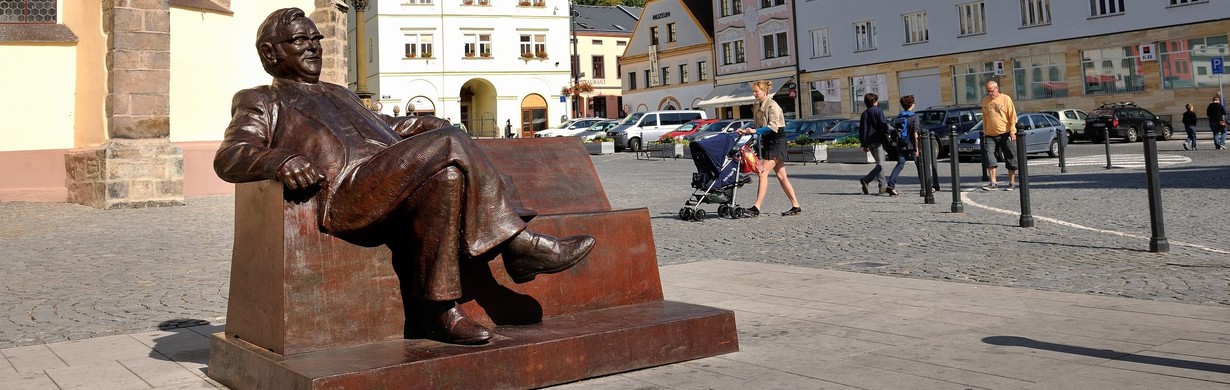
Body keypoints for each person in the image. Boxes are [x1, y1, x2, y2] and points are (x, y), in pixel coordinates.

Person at [213, 8, 595, 345]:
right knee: (449, 142)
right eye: (300, 40)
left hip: (390, 176)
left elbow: (383, 125)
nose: (314, 46)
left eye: (316, 38)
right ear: (271, 52)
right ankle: (519, 246)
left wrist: (422, 123)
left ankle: (437, 312)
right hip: (349, 190)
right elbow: (230, 155)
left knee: (445, 178)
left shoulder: (340, 93)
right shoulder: (261, 100)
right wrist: (279, 160)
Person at [737, 80, 802, 216]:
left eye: (756, 91)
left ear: (765, 91)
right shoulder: (757, 106)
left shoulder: (773, 105)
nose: (754, 94)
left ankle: (756, 208)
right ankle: (796, 206)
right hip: (769, 142)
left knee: (762, 172)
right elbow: (757, 126)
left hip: (777, 141)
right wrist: (745, 130)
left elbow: (773, 127)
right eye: (753, 91)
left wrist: (754, 131)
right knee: (781, 176)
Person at [979, 80, 1018, 191]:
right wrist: (985, 132)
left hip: (1005, 133)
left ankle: (1012, 182)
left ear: (997, 89)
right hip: (990, 134)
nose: (990, 94)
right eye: (988, 92)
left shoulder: (1006, 99)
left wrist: (1012, 131)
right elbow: (984, 117)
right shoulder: (985, 101)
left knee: (1010, 157)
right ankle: (993, 183)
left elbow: (1012, 116)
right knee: (990, 157)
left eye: (992, 91)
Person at [857, 93, 889, 195]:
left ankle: (882, 186)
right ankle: (867, 180)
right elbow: (883, 125)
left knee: (879, 164)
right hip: (878, 140)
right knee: (880, 164)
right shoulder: (878, 111)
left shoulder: (864, 114)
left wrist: (864, 144)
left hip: (869, 143)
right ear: (875, 101)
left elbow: (861, 130)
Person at [885, 95, 916, 196]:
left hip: (901, 143)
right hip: (911, 144)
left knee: (900, 164)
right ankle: (926, 187)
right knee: (920, 164)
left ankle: (891, 185)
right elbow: (915, 133)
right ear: (912, 104)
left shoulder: (899, 116)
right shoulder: (913, 116)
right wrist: (917, 148)